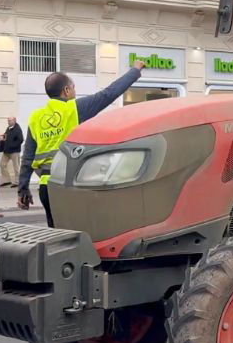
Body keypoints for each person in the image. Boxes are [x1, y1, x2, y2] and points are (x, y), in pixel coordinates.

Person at [18, 61, 146, 226]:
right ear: (66, 90)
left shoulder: (36, 117)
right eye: (73, 88)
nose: (75, 92)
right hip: (68, 186)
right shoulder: (75, 108)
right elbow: (109, 93)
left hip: (46, 188)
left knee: (56, 234)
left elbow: (27, 157)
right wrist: (135, 70)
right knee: (77, 234)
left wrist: (23, 189)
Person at [0, 116, 23, 187]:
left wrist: (12, 145)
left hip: (14, 151)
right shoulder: (8, 128)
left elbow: (20, 140)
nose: (8, 122)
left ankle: (17, 182)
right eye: (8, 120)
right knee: (2, 165)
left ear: (14, 120)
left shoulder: (17, 129)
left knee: (16, 167)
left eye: (10, 120)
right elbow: (6, 137)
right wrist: (3, 139)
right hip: (6, 151)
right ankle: (7, 180)